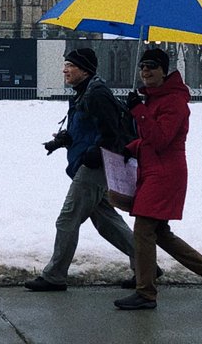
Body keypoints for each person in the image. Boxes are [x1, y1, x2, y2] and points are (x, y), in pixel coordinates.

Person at [114, 47, 202, 311]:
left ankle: (146, 293)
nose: (146, 72)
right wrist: (131, 147)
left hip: (166, 174)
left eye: (152, 67)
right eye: (143, 67)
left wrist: (138, 111)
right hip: (153, 171)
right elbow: (150, 139)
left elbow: (162, 139)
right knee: (160, 232)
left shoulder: (174, 101)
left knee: (143, 229)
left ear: (165, 71)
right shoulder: (154, 98)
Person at [25, 47, 137, 292]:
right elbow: (86, 129)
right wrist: (63, 140)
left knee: (67, 219)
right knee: (107, 222)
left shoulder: (97, 94)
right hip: (86, 164)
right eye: (65, 64)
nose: (65, 69)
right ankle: (145, 265)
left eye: (70, 65)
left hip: (94, 168)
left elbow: (111, 133)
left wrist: (93, 155)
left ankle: (54, 276)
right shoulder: (82, 92)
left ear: (85, 69)